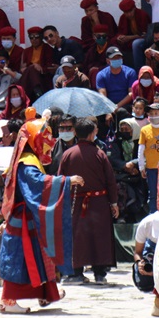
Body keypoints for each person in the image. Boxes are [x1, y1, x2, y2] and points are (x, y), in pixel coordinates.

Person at [0, 111, 77, 312]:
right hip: (22, 220)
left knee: (39, 258)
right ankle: (8, 301)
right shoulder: (27, 161)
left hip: (29, 218)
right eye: (45, 138)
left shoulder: (28, 158)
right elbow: (37, 184)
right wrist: (67, 181)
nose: (50, 143)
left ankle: (47, 295)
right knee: (19, 259)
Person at [58, 117, 118, 285]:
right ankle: (100, 274)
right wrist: (114, 203)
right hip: (99, 202)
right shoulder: (100, 153)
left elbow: (60, 179)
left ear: (75, 133)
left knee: (78, 236)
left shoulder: (68, 154)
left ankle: (76, 273)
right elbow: (110, 180)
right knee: (99, 236)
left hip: (75, 202)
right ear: (93, 133)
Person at [137, 103, 159, 214]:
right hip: (151, 167)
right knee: (153, 193)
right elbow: (141, 149)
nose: (153, 115)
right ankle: (153, 213)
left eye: (156, 113)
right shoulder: (144, 130)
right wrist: (141, 166)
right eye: (151, 113)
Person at [18, 26, 56, 99]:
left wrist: (40, 68)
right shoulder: (26, 51)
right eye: (31, 37)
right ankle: (37, 92)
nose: (34, 40)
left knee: (32, 69)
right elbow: (23, 68)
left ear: (41, 37)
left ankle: (21, 94)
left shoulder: (48, 49)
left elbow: (50, 67)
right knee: (31, 69)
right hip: (30, 76)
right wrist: (29, 67)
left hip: (43, 77)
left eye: (36, 37)